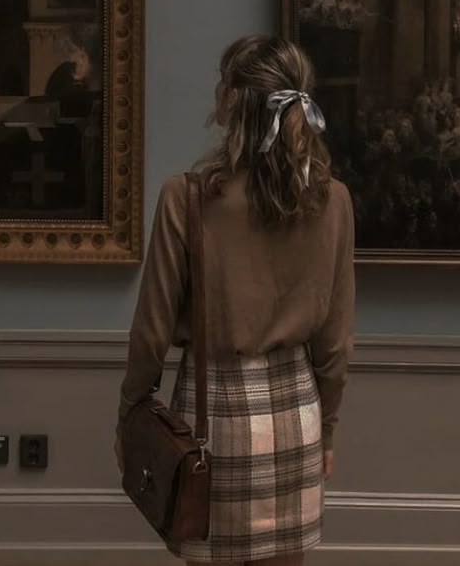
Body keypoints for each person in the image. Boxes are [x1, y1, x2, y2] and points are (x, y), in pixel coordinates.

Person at [115, 35, 355, 566]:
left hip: (212, 420)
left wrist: (129, 414)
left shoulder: (187, 197)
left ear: (232, 101)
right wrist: (328, 431)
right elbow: (335, 347)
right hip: (297, 416)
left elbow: (151, 333)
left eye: (222, 81)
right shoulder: (332, 199)